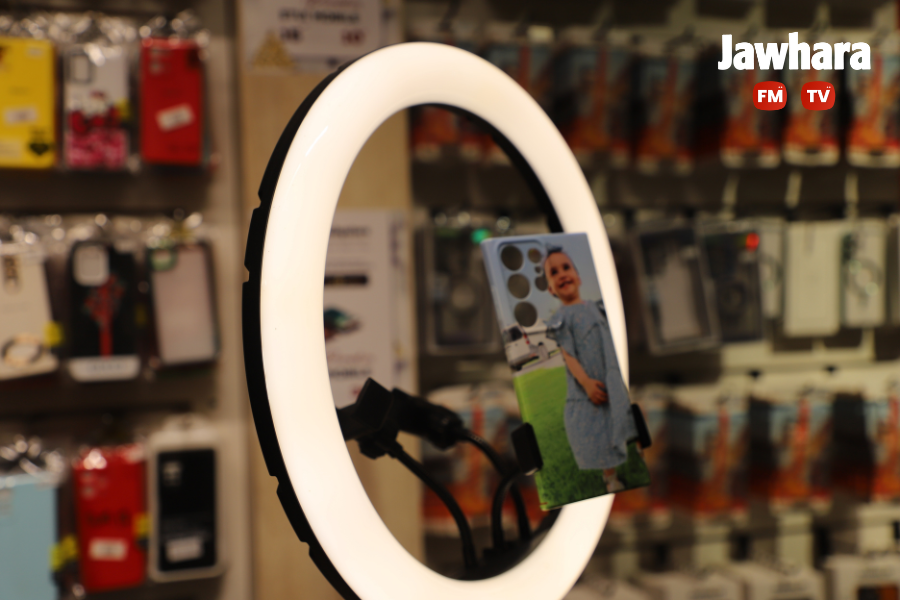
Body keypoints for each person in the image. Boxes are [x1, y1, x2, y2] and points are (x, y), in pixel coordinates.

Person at [544, 247, 635, 492]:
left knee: (619, 417)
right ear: (551, 289)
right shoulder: (563, 317)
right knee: (599, 431)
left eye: (566, 267)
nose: (562, 274)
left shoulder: (595, 307)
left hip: (610, 373)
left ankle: (633, 449)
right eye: (554, 272)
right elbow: (568, 354)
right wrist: (585, 382)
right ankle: (610, 478)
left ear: (578, 277)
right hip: (592, 382)